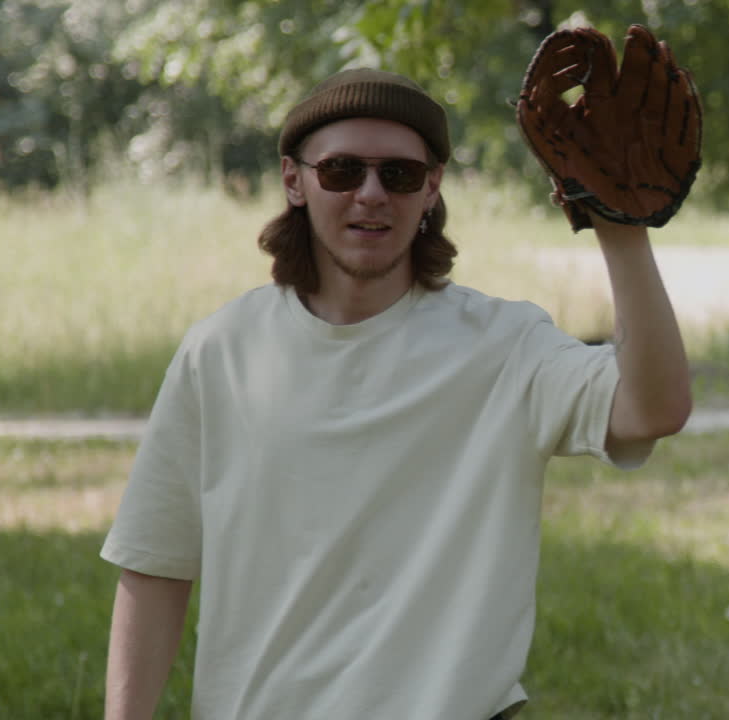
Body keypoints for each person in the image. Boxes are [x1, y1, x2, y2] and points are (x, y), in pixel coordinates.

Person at [101, 68, 691, 720]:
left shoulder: (506, 345)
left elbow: (652, 408)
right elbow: (155, 564)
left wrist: (620, 226)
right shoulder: (220, 351)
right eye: (342, 171)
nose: (372, 194)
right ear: (293, 180)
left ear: (432, 187)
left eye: (401, 175)